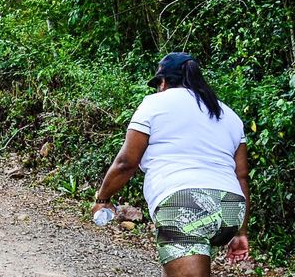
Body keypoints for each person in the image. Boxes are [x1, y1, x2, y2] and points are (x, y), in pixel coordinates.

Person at [91, 53, 250, 277]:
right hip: (231, 210)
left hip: (184, 205)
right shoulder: (227, 113)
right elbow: (241, 176)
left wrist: (103, 199)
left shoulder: (154, 104)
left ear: (163, 82)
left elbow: (127, 162)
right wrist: (241, 232)